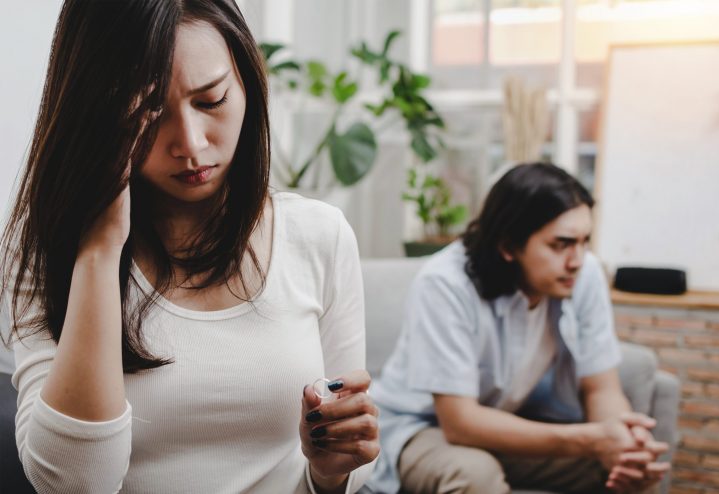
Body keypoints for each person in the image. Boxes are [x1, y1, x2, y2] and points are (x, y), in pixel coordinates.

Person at [0, 1, 378, 493]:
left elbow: (342, 468)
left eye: (211, 100)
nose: (191, 144)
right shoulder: (45, 251)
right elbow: (75, 484)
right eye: (147, 114)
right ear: (98, 116)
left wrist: (332, 467)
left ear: (246, 82)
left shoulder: (320, 236)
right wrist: (98, 248)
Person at [365, 163, 670, 494]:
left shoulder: (583, 273)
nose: (577, 259)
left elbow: (602, 388)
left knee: (631, 471)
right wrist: (591, 439)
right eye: (561, 244)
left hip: (502, 422)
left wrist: (623, 438)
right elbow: (460, 422)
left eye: (585, 241)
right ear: (508, 246)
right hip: (420, 426)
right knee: (475, 475)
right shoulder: (445, 284)